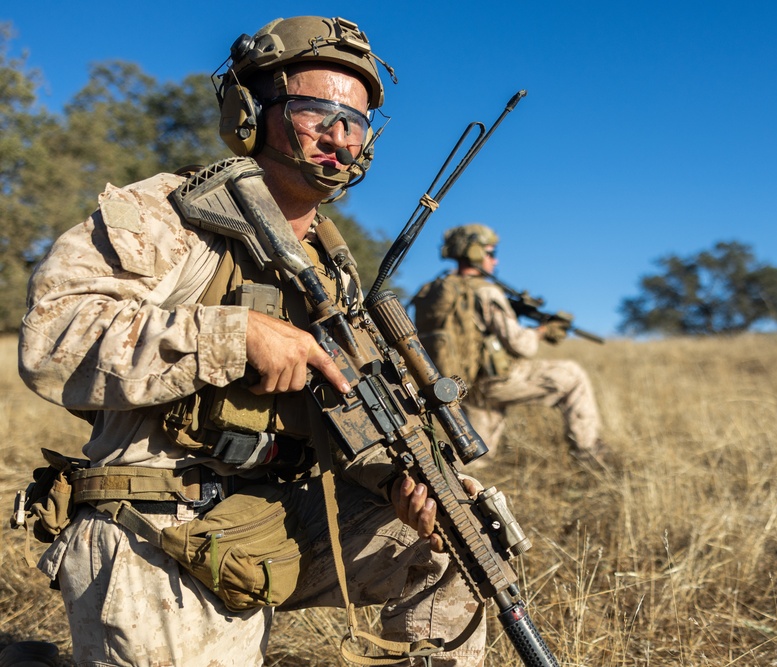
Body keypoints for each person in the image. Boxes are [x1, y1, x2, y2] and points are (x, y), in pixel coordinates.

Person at [18, 16, 484, 667]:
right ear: (248, 112)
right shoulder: (168, 214)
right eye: (315, 110)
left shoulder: (336, 267)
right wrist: (232, 336)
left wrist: (398, 484)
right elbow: (52, 336)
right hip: (157, 523)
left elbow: (350, 420)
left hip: (274, 522)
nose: (338, 135)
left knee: (466, 535)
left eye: (354, 121)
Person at [412, 223, 610, 468]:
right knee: (573, 375)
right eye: (490, 253)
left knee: (476, 462)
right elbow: (521, 346)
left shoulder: (432, 291)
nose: (494, 261)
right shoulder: (486, 292)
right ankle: (590, 458)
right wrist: (542, 331)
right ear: (474, 253)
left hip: (458, 386)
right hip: (494, 383)